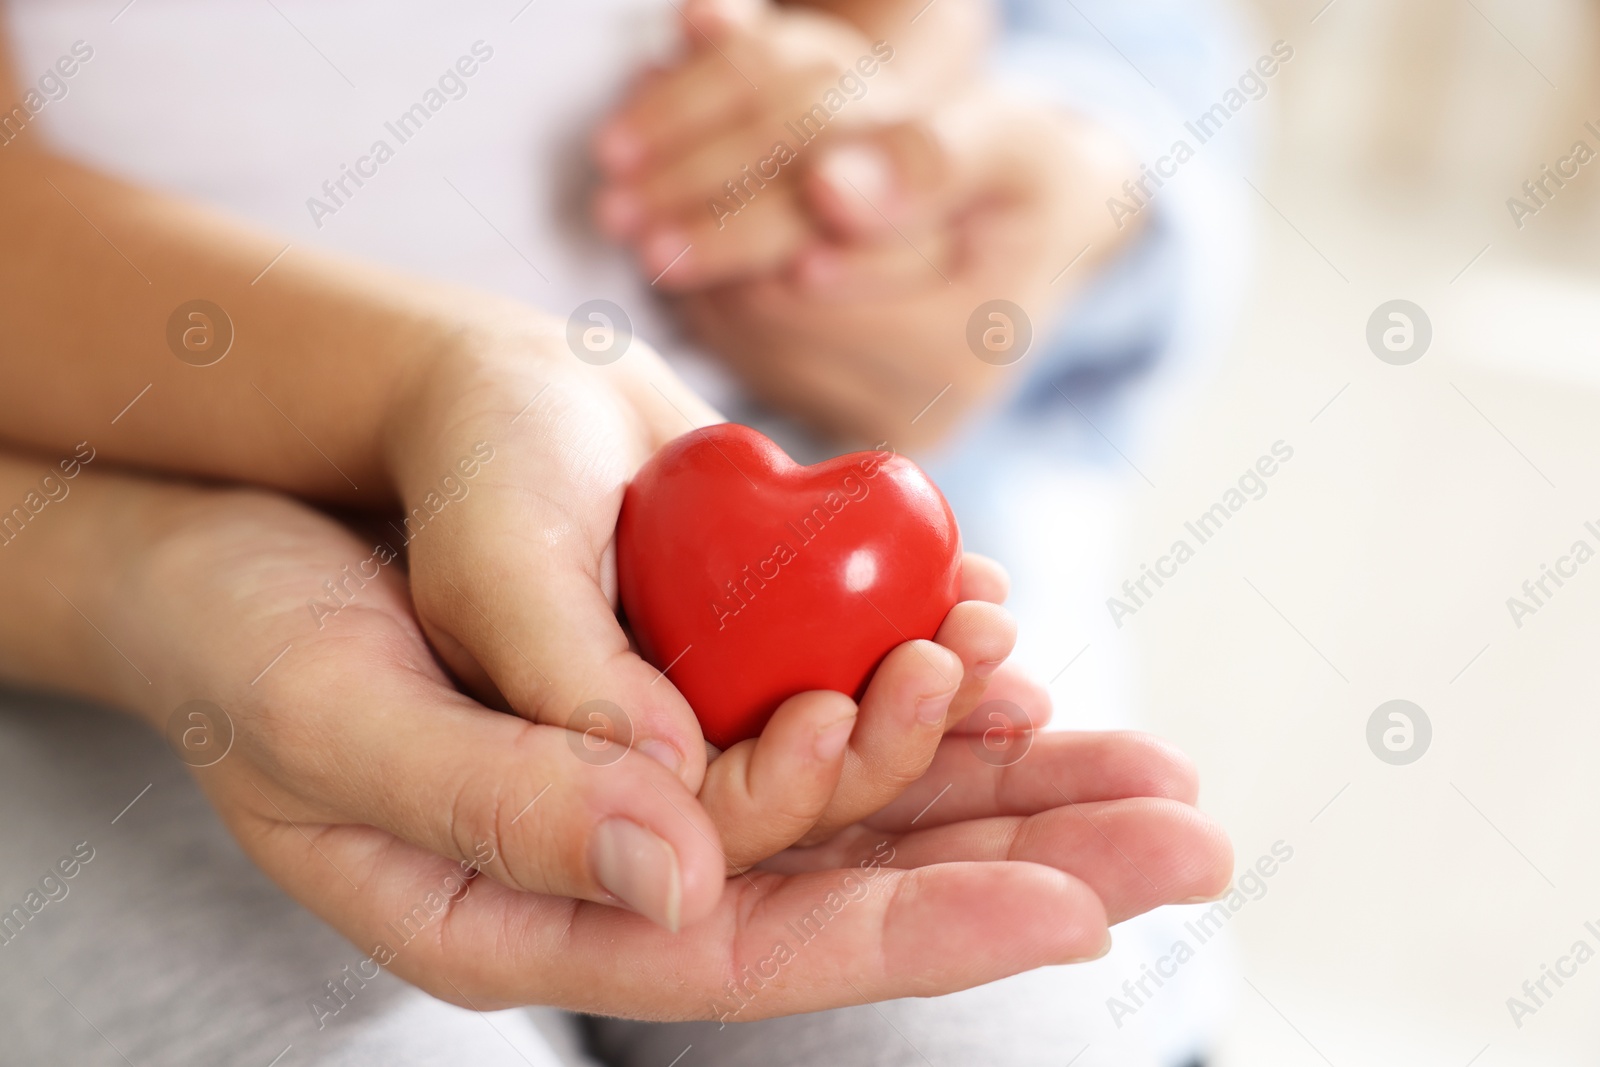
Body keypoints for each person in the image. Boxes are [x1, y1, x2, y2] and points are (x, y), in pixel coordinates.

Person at [0, 1, 1232, 1064]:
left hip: (684, 450)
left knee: (999, 1023)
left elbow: (916, 32)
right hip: (96, 574)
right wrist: (434, 391)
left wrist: (854, 111)